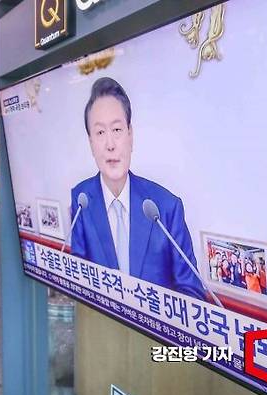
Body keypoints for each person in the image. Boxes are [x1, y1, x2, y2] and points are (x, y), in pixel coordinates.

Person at [70, 77, 206, 301]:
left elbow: (192, 290)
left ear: (130, 135)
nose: (110, 144)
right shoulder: (81, 199)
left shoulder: (166, 207)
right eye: (100, 133)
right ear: (91, 143)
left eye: (117, 129)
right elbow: (77, 278)